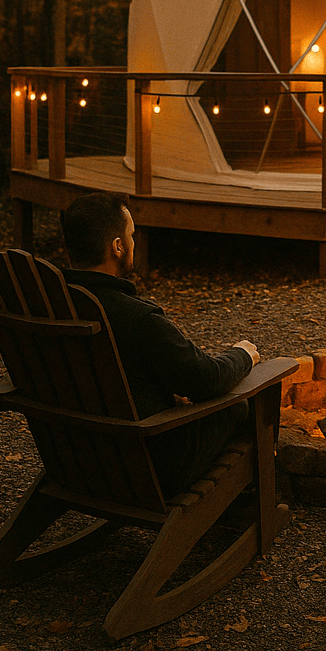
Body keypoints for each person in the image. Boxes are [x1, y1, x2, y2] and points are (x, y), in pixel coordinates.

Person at [60, 190, 259, 496]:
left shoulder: (50, 305)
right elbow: (204, 380)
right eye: (131, 235)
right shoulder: (136, 318)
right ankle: (245, 511)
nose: (133, 243)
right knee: (241, 405)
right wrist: (242, 355)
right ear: (117, 246)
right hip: (149, 465)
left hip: (74, 456)